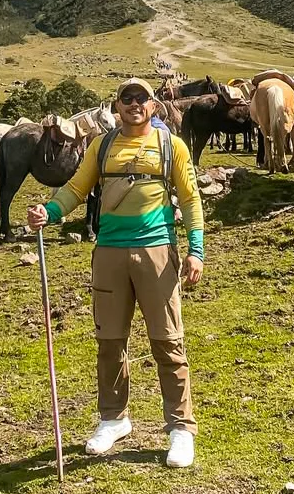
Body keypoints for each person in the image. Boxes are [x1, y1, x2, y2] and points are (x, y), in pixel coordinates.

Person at [27, 77, 204, 468]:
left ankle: (180, 428)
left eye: (142, 98)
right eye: (128, 98)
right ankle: (113, 419)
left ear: (153, 106)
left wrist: (196, 251)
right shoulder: (101, 146)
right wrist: (50, 212)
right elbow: (75, 189)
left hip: (157, 251)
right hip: (109, 252)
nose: (135, 103)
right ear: (117, 106)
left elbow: (190, 199)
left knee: (168, 341)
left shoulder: (170, 146)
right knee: (110, 342)